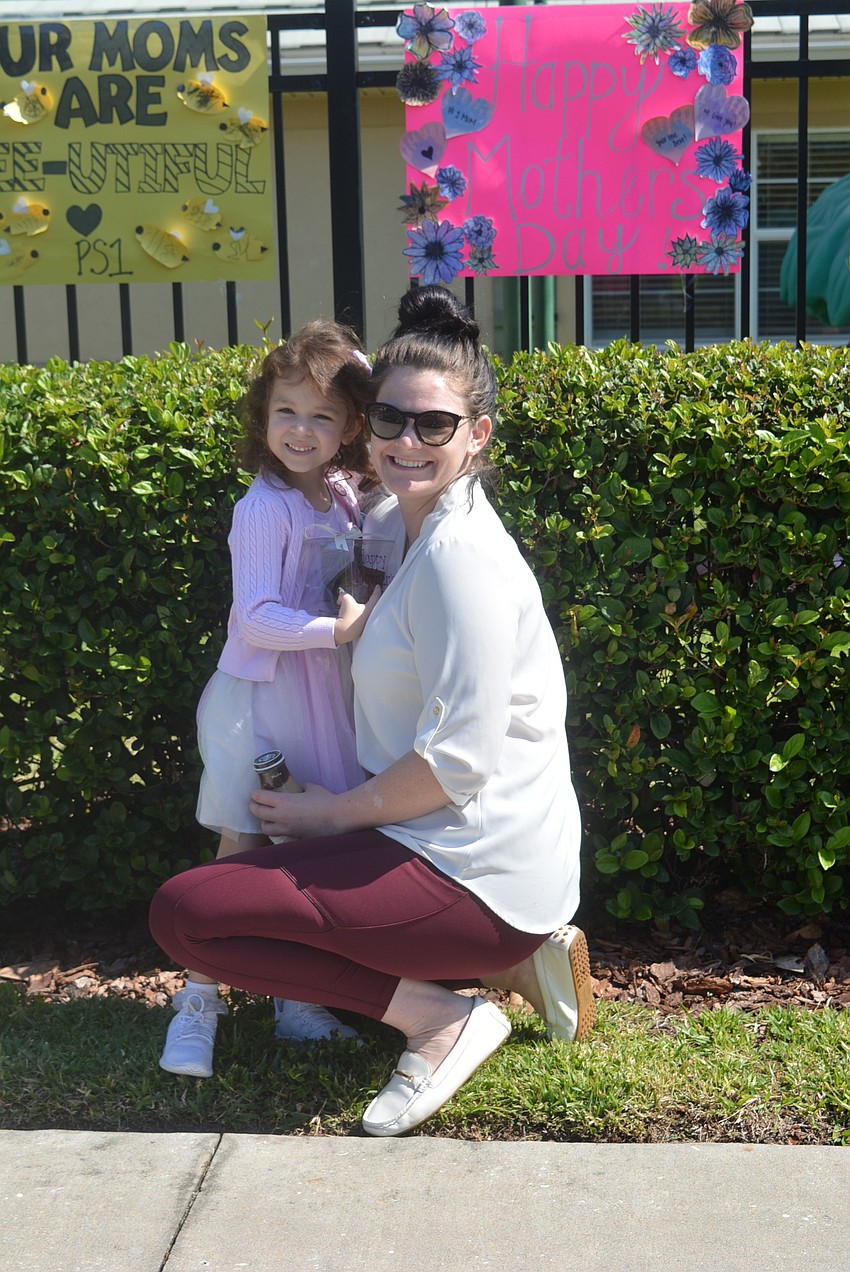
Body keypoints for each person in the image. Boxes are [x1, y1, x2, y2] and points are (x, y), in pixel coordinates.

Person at [150, 285, 594, 1134]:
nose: (407, 442)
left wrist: (330, 816)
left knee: (188, 917)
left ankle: (445, 1019)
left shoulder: (461, 559)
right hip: (455, 853)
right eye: (390, 420)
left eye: (435, 426)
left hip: (465, 864)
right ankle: (519, 961)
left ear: (479, 436)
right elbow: (356, 562)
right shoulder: (403, 520)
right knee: (234, 906)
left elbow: (456, 763)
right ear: (366, 424)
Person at [158, 320, 379, 1078]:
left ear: (351, 426)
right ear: (263, 417)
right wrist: (338, 630)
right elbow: (254, 614)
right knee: (244, 841)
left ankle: (297, 999)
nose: (302, 429)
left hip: (320, 694)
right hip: (259, 699)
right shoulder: (264, 507)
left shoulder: (345, 494)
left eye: (323, 415)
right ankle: (198, 1000)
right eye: (287, 411)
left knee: (312, 844)